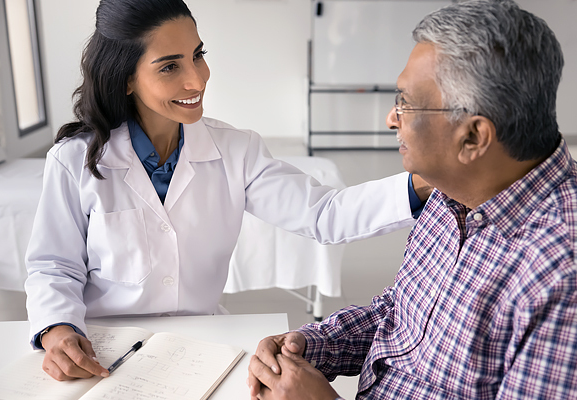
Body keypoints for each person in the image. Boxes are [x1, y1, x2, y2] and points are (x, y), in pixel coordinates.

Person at [24, 0, 432, 382]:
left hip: (201, 343)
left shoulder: (236, 151)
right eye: (169, 67)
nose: (196, 78)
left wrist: (425, 181)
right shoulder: (74, 160)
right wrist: (58, 329)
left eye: (198, 55)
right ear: (127, 79)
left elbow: (324, 214)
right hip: (104, 351)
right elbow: (54, 265)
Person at [248, 1, 577, 399]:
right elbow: (403, 317)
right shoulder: (453, 190)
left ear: (473, 137)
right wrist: (312, 344)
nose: (391, 118)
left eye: (406, 102)